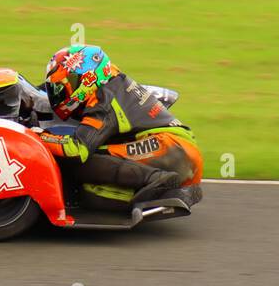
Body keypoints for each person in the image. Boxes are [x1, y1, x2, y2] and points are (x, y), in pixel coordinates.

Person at [33, 44, 203, 209]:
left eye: (68, 83)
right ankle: (155, 184)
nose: (62, 92)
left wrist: (38, 136)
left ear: (87, 77)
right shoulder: (111, 81)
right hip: (177, 148)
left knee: (83, 167)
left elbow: (77, 149)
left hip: (173, 150)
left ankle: (159, 182)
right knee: (91, 175)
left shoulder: (103, 102)